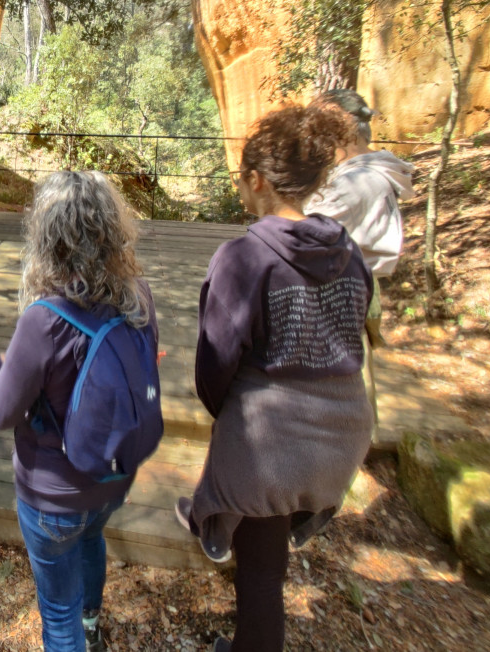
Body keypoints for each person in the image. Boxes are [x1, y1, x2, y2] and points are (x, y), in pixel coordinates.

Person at [175, 104, 373, 652]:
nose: (240, 189)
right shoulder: (347, 251)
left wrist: (230, 416)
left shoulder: (244, 257)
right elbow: (355, 325)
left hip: (273, 443)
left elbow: (214, 365)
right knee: (269, 543)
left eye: (241, 179)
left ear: (257, 180)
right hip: (344, 434)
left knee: (259, 572)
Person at [0, 171, 159, 652]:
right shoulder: (138, 297)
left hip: (53, 493)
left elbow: (0, 412)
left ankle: (80, 630)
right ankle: (93, 623)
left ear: (47, 237)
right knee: (91, 539)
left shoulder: (44, 321)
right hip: (113, 474)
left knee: (57, 615)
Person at [305, 88, 414, 423]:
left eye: (320, 126)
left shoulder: (357, 182)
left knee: (337, 398)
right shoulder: (360, 175)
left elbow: (299, 228)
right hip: (347, 294)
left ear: (344, 129)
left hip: (336, 300)